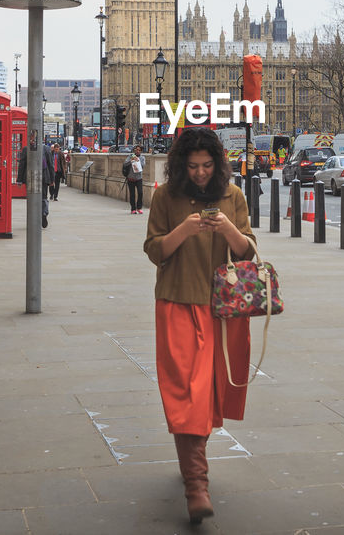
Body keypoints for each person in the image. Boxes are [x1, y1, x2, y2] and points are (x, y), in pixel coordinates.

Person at [144, 127, 256, 524]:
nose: (201, 173)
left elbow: (248, 252)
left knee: (209, 393)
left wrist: (227, 228)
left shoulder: (234, 196)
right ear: (180, 166)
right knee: (186, 394)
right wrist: (184, 230)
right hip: (177, 302)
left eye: (207, 165)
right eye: (192, 166)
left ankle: (191, 460)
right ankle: (197, 485)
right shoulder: (165, 196)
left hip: (223, 310)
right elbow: (154, 249)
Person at [17, 140, 55, 228]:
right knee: (44, 198)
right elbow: (50, 164)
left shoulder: (26, 149)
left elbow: (22, 165)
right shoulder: (46, 148)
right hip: (44, 177)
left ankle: (32, 219)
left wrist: (19, 180)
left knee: (31, 199)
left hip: (31, 177)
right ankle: (44, 213)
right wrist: (52, 179)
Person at [126, 145, 146, 214]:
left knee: (140, 193)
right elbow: (125, 164)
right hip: (131, 178)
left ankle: (139, 208)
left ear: (141, 151)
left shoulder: (142, 158)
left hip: (138, 178)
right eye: (136, 149)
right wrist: (131, 160)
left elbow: (143, 166)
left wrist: (138, 161)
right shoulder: (130, 156)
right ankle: (133, 209)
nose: (137, 151)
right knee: (132, 194)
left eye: (139, 150)